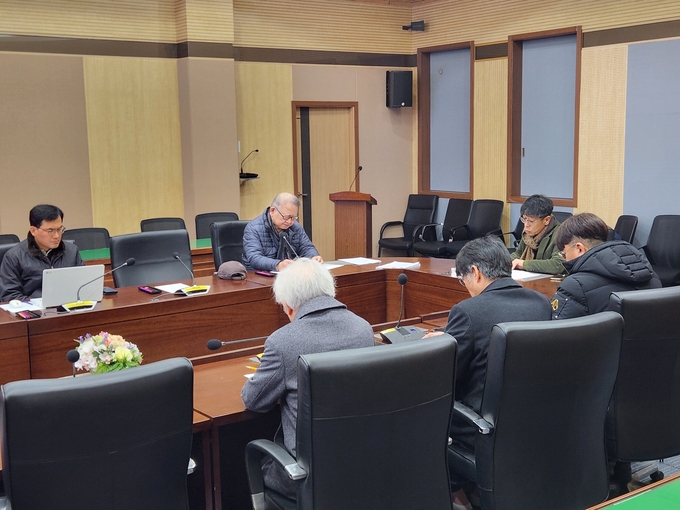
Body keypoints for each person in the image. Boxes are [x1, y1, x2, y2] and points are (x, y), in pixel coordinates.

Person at [426, 236, 551, 510]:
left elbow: (446, 375)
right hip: (536, 420)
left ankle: (455, 494)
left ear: (475, 272)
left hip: (484, 427)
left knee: (424, 409)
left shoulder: (467, 311)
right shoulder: (540, 303)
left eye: (463, 280)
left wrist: (443, 345)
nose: (466, 287)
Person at [241, 257, 374, 500]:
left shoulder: (282, 342)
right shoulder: (363, 328)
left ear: (288, 305)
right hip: (363, 466)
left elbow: (253, 400)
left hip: (305, 477)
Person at [551, 212, 661, 320]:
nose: (565, 259)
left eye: (564, 254)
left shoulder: (575, 286)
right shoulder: (652, 276)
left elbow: (557, 329)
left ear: (579, 248)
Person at [0, 204, 84, 302]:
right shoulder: (14, 257)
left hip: (68, 306)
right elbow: (9, 296)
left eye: (59, 229)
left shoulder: (71, 251)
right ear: (33, 231)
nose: (56, 236)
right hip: (34, 309)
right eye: (50, 230)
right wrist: (39, 304)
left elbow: (85, 283)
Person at [242, 192, 323, 272]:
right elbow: (255, 258)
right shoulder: (253, 228)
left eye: (293, 217)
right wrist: (278, 265)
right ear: (272, 211)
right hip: (258, 274)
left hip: (288, 273)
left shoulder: (295, 227)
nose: (290, 222)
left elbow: (306, 247)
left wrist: (313, 256)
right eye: (286, 217)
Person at [510, 194, 565, 275]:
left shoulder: (561, 234)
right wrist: (505, 262)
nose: (526, 225)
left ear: (546, 220)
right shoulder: (528, 233)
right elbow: (518, 253)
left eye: (531, 221)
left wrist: (524, 264)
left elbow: (558, 265)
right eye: (524, 219)